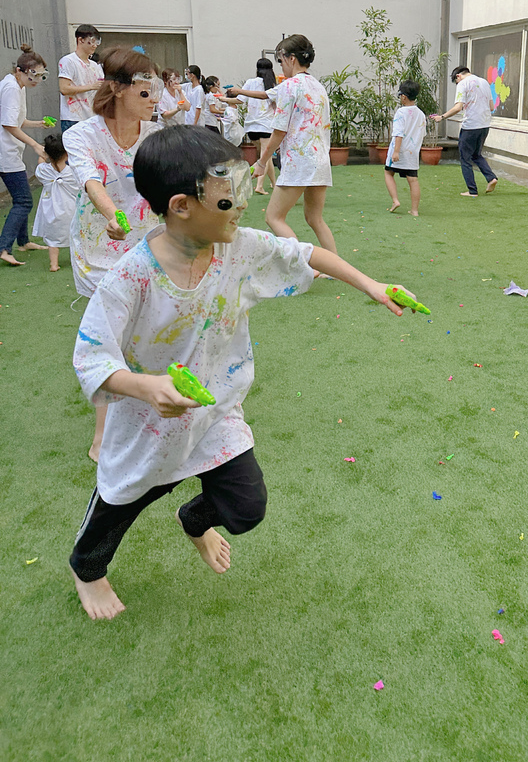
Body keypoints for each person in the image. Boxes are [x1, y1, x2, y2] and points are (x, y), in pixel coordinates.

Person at [68, 125, 414, 620]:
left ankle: (195, 519)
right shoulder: (131, 276)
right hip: (149, 425)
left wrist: (370, 284)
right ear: (182, 206)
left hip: (217, 413)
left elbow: (302, 254)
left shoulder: (239, 248)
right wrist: (145, 387)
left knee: (247, 509)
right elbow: (92, 356)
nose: (244, 206)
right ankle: (87, 570)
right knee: (118, 505)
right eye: (229, 199)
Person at [63, 46, 162, 461]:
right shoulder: (81, 135)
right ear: (119, 89)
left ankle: (151, 402)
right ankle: (103, 434)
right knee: (109, 335)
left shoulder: (156, 136)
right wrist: (112, 215)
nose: (155, 98)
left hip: (145, 246)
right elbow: (91, 181)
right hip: (98, 248)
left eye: (157, 89)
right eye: (146, 90)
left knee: (144, 328)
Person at [252, 35, 337, 255]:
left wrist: (262, 162)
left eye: (281, 60)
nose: (281, 65)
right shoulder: (318, 86)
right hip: (319, 159)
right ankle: (335, 265)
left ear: (290, 58)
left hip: (299, 160)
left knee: (273, 217)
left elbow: (280, 130)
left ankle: (304, 262)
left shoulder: (290, 86)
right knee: (315, 218)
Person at [0, 47, 49, 265]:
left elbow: (17, 121)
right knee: (23, 201)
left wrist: (38, 123)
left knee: (22, 198)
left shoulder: (17, 85)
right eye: (34, 75)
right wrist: (36, 145)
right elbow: (9, 124)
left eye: (41, 76)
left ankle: (23, 241)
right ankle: (4, 248)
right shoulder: (11, 87)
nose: (37, 80)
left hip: (9, 150)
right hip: (5, 152)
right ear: (20, 71)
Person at [432, 66, 497, 197]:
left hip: (470, 126)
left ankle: (472, 190)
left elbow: (458, 107)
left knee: (465, 158)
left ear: (458, 76)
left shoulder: (463, 84)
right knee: (476, 155)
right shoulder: (484, 82)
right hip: (484, 125)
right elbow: (491, 106)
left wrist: (442, 117)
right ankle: (491, 178)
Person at [227, 58, 277, 195]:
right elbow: (275, 105)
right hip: (266, 125)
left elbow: (239, 100)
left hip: (251, 127)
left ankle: (274, 183)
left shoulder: (250, 82)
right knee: (264, 158)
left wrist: (224, 99)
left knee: (265, 157)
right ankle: (259, 186)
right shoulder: (271, 84)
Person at [32, 132, 79, 272]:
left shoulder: (44, 171)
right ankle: (77, 261)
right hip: (70, 208)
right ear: (66, 154)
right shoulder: (73, 172)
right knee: (75, 235)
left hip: (51, 209)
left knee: (53, 239)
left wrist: (43, 155)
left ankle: (54, 264)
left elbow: (40, 164)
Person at [384, 79, 426, 216]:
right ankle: (414, 210)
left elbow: (398, 134)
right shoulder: (421, 114)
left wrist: (396, 151)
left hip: (400, 149)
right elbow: (422, 134)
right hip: (412, 152)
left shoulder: (401, 113)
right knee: (413, 179)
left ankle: (395, 200)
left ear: (404, 97)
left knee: (388, 173)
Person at [58, 25, 104, 132]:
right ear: (80, 40)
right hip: (73, 117)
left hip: (92, 117)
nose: (94, 45)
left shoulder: (95, 66)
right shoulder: (68, 61)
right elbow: (64, 89)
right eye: (92, 41)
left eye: (97, 42)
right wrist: (91, 87)